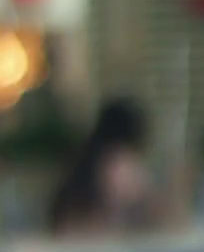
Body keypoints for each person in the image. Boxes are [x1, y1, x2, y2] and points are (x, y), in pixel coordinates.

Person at [46, 98, 162, 235]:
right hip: (96, 241)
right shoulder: (120, 163)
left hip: (67, 239)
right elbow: (154, 209)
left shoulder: (83, 159)